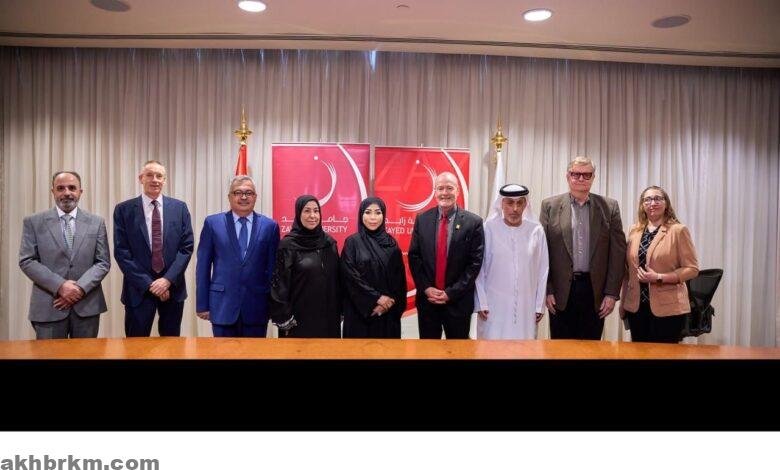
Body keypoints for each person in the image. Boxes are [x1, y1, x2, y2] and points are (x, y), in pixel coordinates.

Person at [540, 156, 626, 340]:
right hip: (560, 292)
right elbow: (542, 252)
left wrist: (611, 293)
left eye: (586, 175)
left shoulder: (609, 207)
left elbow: (618, 254)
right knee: (560, 349)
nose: (581, 178)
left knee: (591, 348)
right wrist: (547, 289)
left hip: (595, 292)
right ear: (567, 176)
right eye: (576, 174)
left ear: (593, 177)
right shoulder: (550, 206)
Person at [19, 171, 110, 339]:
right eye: (60, 188)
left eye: (72, 188)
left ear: (80, 192)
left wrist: (79, 289)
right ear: (53, 191)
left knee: (87, 354)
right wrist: (61, 286)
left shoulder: (97, 222)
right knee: (49, 353)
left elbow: (103, 262)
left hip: (86, 306)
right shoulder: (33, 222)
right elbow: (27, 260)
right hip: (49, 306)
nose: (67, 192)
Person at [113, 160, 194, 337]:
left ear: (164, 180)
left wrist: (167, 280)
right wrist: (149, 284)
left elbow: (186, 248)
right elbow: (122, 252)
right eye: (149, 175)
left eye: (159, 176)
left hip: (172, 289)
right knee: (135, 347)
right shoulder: (124, 210)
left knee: (171, 346)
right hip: (138, 290)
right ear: (141, 178)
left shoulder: (180, 208)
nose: (155, 179)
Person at [195, 176, 280, 337]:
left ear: (255, 197)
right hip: (222, 307)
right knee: (223, 352)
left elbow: (273, 270)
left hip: (257, 307)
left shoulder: (270, 226)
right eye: (238, 193)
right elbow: (203, 267)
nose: (243, 197)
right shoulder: (213, 223)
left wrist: (274, 306)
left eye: (249, 193)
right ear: (229, 197)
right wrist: (202, 304)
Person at [408, 171, 484, 339]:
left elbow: (474, 264)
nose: (444, 193)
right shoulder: (422, 219)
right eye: (440, 188)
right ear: (435, 191)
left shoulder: (473, 223)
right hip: (428, 303)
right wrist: (426, 288)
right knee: (428, 351)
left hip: (458, 303)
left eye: (449, 188)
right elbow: (414, 258)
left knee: (458, 351)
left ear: (457, 191)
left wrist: (451, 293)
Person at [619, 186, 699, 343]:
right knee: (639, 353)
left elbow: (692, 269)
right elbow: (628, 272)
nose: (652, 203)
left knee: (664, 353)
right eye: (647, 199)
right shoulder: (634, 230)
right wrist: (623, 303)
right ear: (642, 205)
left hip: (668, 308)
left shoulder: (678, 230)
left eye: (657, 198)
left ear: (666, 203)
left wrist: (659, 277)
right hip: (636, 307)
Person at [474, 184, 549, 340]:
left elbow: (543, 270)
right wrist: (481, 302)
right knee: (491, 347)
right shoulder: (488, 229)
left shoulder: (536, 231)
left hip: (526, 307)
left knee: (525, 347)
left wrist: (539, 305)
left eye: (519, 203)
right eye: (509, 203)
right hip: (493, 307)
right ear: (501, 204)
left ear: (525, 205)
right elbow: (479, 269)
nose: (515, 209)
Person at [269, 195, 341, 338]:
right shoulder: (288, 245)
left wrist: (341, 311)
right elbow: (279, 286)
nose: (312, 216)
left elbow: (338, 281)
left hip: (329, 319)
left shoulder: (329, 243)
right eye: (307, 211)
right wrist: (285, 319)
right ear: (298, 213)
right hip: (298, 322)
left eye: (316, 211)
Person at [340, 197, 406, 338]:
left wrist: (387, 303)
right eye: (368, 212)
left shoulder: (391, 244)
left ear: (384, 215)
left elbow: (399, 281)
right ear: (361, 214)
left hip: (387, 313)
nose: (373, 217)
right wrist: (376, 298)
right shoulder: (352, 242)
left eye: (378, 212)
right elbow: (350, 277)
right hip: (359, 313)